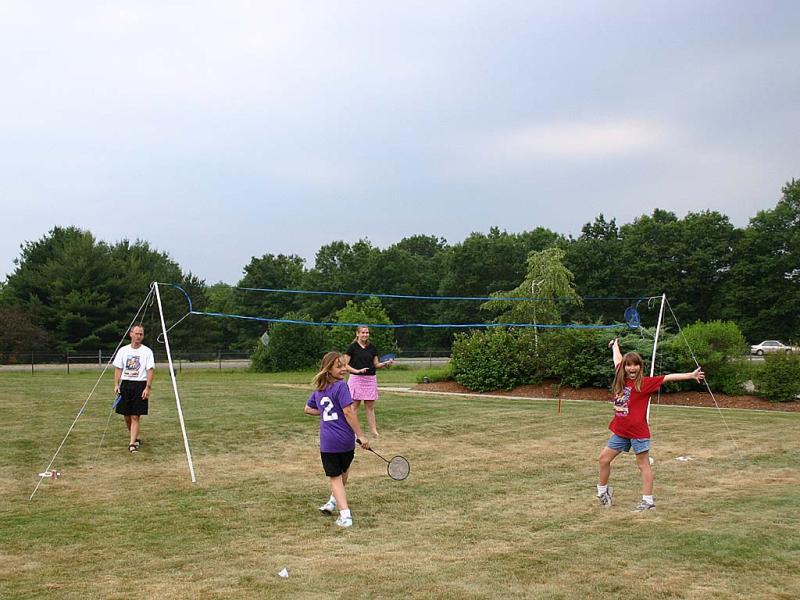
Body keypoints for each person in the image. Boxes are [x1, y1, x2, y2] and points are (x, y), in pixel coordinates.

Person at [597, 338, 704, 512]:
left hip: (638, 432)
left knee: (643, 464)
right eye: (629, 365)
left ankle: (648, 501)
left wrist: (691, 375)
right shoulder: (620, 376)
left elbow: (668, 378)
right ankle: (603, 493)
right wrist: (614, 344)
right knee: (603, 459)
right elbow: (617, 358)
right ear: (624, 367)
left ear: (640, 367)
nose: (632, 368)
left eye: (636, 365)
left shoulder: (645, 384)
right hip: (621, 432)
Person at [305, 352, 370, 528]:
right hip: (346, 441)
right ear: (328, 369)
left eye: (343, 365)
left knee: (335, 477)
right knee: (342, 471)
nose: (343, 369)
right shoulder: (341, 386)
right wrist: (360, 435)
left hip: (330, 442)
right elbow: (348, 412)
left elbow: (308, 409)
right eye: (338, 366)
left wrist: (327, 412)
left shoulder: (320, 388)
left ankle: (345, 516)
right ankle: (333, 502)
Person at [344, 326, 394, 436]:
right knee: (354, 406)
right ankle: (354, 431)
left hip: (370, 379)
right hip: (356, 379)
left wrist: (386, 363)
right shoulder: (352, 347)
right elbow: (345, 365)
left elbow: (376, 364)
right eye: (363, 332)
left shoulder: (372, 348)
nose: (365, 335)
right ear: (357, 333)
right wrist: (357, 371)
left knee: (370, 407)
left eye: (367, 333)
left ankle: (374, 431)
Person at [113, 324, 155, 453]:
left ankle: (132, 443)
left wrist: (147, 387)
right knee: (126, 416)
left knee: (135, 416)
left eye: (141, 334)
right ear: (131, 334)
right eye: (136, 333)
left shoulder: (147, 351)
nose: (139, 336)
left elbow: (150, 370)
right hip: (126, 384)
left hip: (140, 384)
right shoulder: (123, 350)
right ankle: (134, 436)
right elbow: (118, 368)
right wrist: (116, 384)